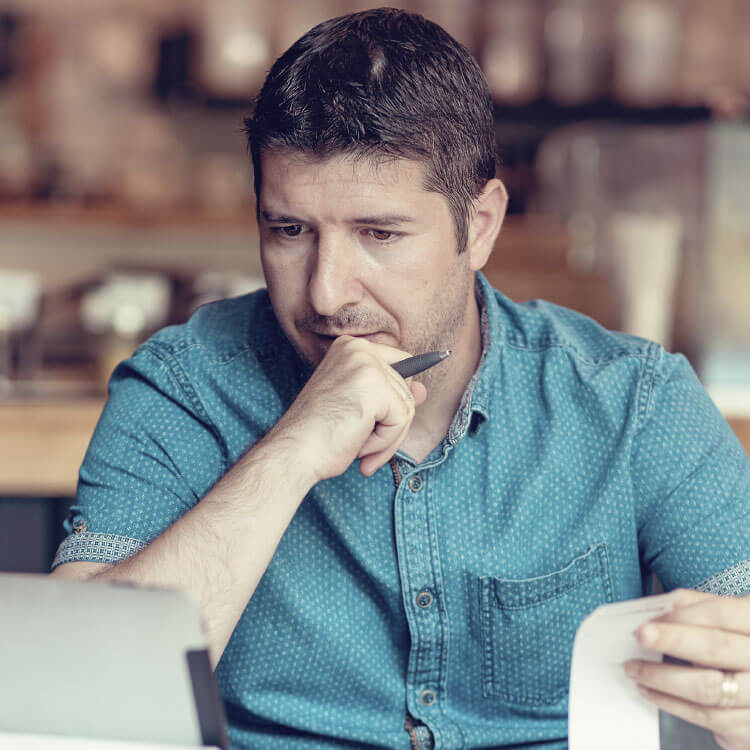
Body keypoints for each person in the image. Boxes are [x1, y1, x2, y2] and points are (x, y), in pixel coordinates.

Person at [51, 8, 750, 750]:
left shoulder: (631, 402)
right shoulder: (182, 388)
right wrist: (290, 452)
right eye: (290, 231)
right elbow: (71, 700)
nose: (325, 294)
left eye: (379, 235)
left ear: (478, 225)